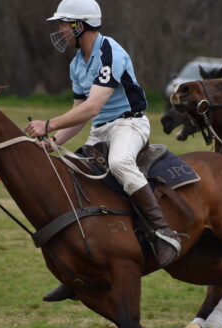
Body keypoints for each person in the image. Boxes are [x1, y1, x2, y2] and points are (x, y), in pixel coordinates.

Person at [26, 0, 182, 302]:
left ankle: (163, 233)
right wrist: (54, 142)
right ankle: (78, 274)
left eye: (63, 23)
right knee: (75, 175)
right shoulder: (76, 64)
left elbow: (93, 106)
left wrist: (48, 124)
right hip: (100, 129)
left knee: (121, 162)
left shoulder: (110, 52)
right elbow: (80, 114)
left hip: (130, 125)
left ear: (80, 25)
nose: (59, 30)